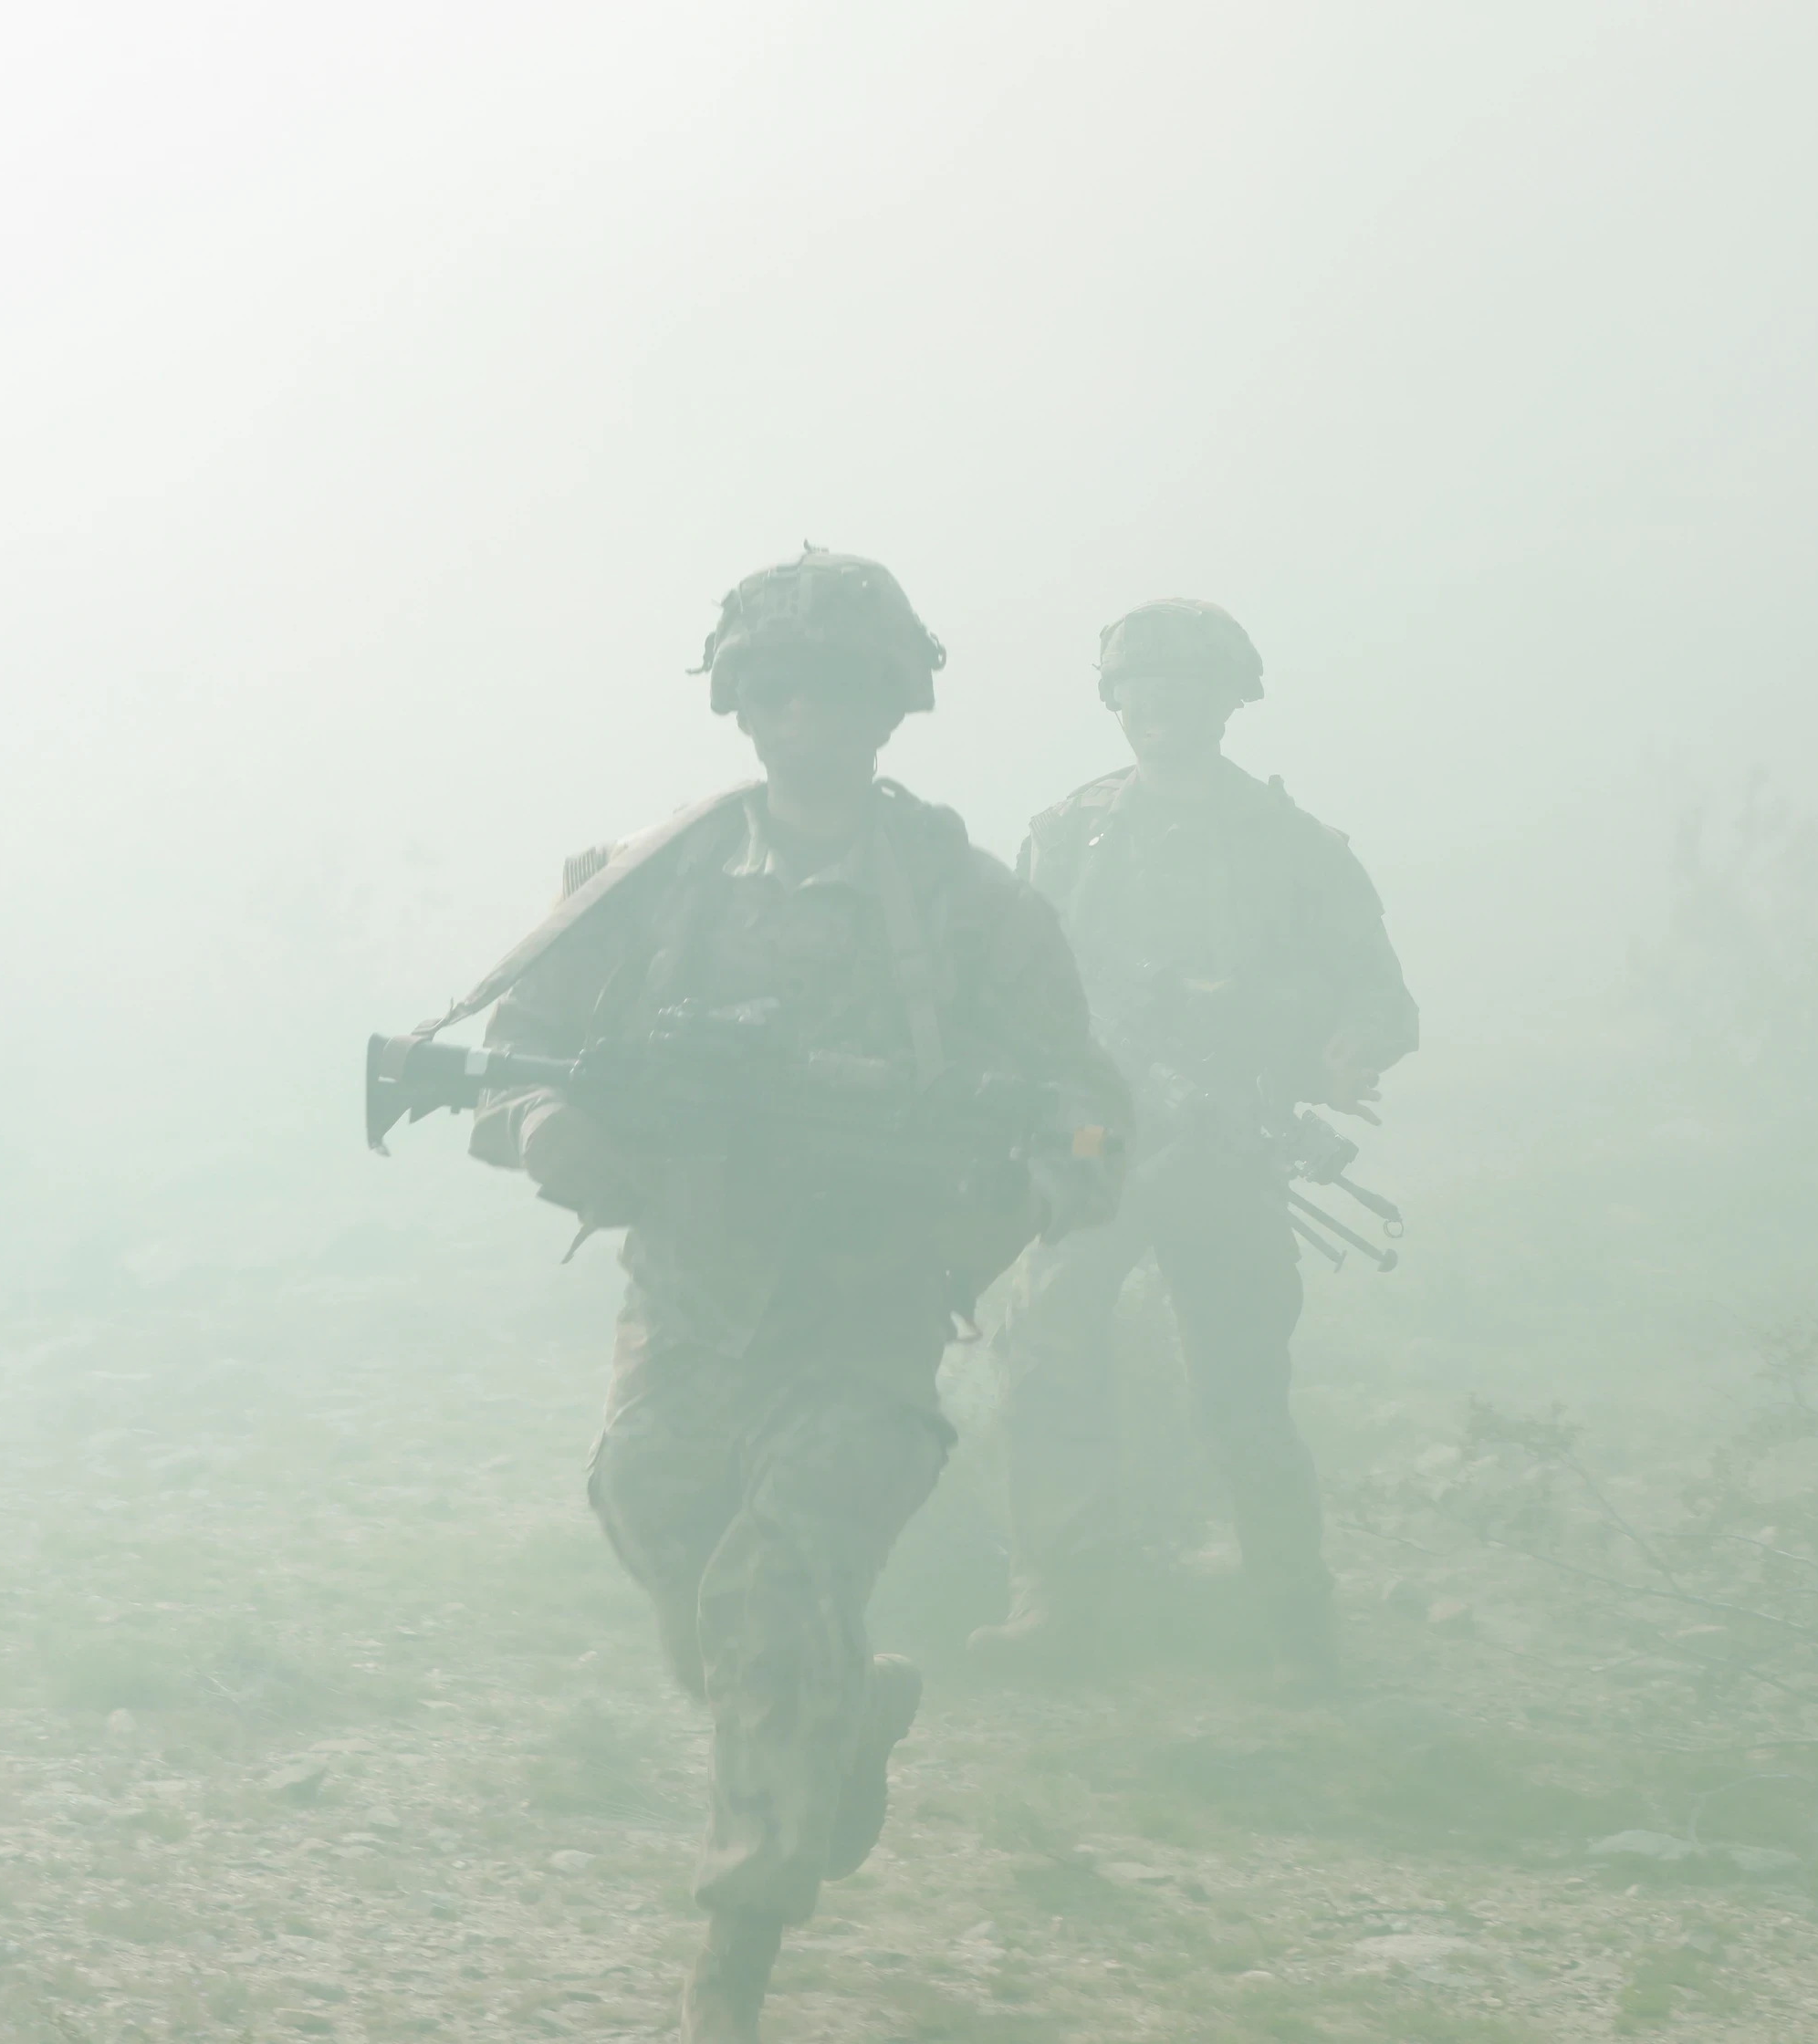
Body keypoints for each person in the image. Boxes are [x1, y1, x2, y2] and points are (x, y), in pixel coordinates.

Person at [447, 549, 1126, 2044]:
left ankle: (733, 1961)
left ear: (893, 707)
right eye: (781, 688)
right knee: (651, 1515)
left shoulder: (973, 911)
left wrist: (1002, 1212)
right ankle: (837, 1716)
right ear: (743, 703)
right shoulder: (650, 882)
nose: (808, 717)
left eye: (842, 690)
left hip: (875, 1314)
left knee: (771, 1589)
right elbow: (513, 1053)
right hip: (691, 1295)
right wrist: (551, 1134)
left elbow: (1089, 1119)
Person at [974, 598, 1417, 1683]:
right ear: (1113, 697)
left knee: (1239, 1383)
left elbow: (1384, 996)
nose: (1159, 705)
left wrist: (1347, 1044)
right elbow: (1012, 986)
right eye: (1140, 684)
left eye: (1186, 684)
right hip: (1094, 1129)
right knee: (1043, 1341)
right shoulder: (1066, 833)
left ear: (1232, 700)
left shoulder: (1296, 849)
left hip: (1226, 1143)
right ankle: (1058, 1603)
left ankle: (1293, 1617)